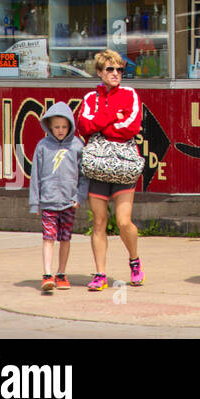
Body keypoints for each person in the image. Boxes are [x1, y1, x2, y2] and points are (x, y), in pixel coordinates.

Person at [75, 49, 144, 292]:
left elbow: (131, 127)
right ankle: (101, 273)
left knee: (124, 222)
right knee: (99, 222)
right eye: (110, 69)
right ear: (99, 72)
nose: (115, 74)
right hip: (97, 166)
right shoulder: (90, 97)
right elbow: (84, 125)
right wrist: (111, 116)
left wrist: (102, 126)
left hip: (123, 164)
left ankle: (134, 260)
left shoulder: (130, 94)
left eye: (119, 70)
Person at [27, 102, 87, 294]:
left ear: (70, 126)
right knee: (48, 238)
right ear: (49, 127)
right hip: (48, 201)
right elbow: (35, 175)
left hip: (69, 202)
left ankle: (61, 273)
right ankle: (47, 274)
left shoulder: (77, 146)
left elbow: (84, 176)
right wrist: (35, 202)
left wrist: (79, 196)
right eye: (56, 127)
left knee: (65, 238)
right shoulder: (43, 146)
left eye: (64, 126)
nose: (60, 131)